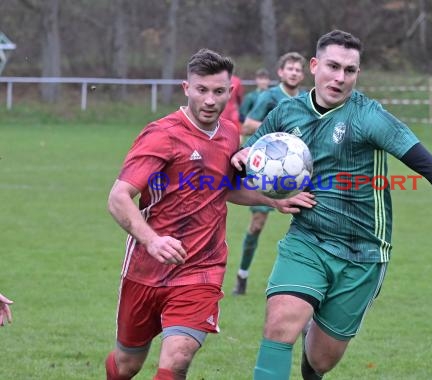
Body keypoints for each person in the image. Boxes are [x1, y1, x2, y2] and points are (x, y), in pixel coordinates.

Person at [230, 30, 432, 380]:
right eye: (332, 66)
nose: (340, 77)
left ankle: (312, 328)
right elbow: (249, 162)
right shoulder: (286, 114)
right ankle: (301, 308)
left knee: (320, 360)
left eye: (350, 70)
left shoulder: (368, 117)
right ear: (315, 66)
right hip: (307, 240)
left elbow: (427, 165)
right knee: (279, 325)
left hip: (363, 253)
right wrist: (247, 163)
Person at [105, 48, 314, 380]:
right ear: (186, 88)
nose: (210, 100)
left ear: (230, 91)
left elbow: (225, 187)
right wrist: (153, 240)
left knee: (178, 358)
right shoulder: (162, 134)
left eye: (218, 91)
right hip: (146, 268)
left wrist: (272, 200)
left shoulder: (231, 133)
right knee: (128, 363)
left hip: (202, 267)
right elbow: (118, 197)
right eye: (201, 90)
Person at [232, 52, 307, 296]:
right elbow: (248, 125)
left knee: (308, 227)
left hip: (299, 172)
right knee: (257, 224)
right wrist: (279, 131)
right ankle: (242, 275)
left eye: (298, 69)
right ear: (281, 73)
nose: (294, 72)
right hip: (267, 171)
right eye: (290, 69)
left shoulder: (307, 99)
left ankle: (305, 287)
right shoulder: (269, 96)